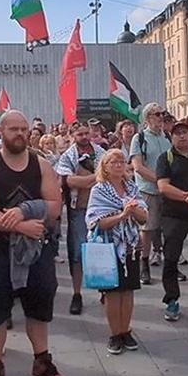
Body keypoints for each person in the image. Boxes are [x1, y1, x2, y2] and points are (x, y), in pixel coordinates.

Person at [0, 110, 65, 376]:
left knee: (39, 302)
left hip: (37, 249)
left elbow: (54, 205)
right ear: (2, 131)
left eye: (24, 129)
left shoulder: (41, 165)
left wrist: (25, 212)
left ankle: (41, 360)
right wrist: (22, 226)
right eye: (14, 129)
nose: (20, 134)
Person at [86, 149, 147, 354]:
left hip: (130, 246)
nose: (119, 165)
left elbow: (143, 217)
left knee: (128, 290)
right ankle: (115, 334)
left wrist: (133, 210)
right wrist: (121, 216)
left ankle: (126, 330)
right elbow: (95, 222)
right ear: (105, 166)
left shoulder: (131, 187)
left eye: (122, 161)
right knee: (112, 292)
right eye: (114, 162)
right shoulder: (99, 190)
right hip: (109, 246)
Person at [156, 121, 188, 321]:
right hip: (173, 216)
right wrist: (187, 196)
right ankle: (171, 300)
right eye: (177, 133)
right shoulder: (165, 158)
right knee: (170, 258)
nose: (182, 137)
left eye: (185, 132)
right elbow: (163, 187)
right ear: (171, 137)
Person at [54, 121, 105, 315]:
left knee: (103, 250)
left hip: (102, 209)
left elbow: (113, 175)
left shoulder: (100, 151)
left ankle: (105, 289)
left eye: (86, 133)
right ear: (73, 136)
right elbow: (68, 180)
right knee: (76, 254)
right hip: (79, 211)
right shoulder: (68, 155)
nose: (84, 137)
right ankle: (77, 294)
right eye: (80, 134)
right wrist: (97, 177)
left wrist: (86, 179)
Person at [130, 103, 172, 285]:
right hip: (148, 190)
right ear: (147, 118)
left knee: (169, 229)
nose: (161, 117)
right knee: (147, 230)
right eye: (156, 114)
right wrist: (160, 180)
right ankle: (144, 264)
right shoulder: (139, 138)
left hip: (167, 192)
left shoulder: (167, 137)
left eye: (162, 114)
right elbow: (138, 167)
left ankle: (171, 265)